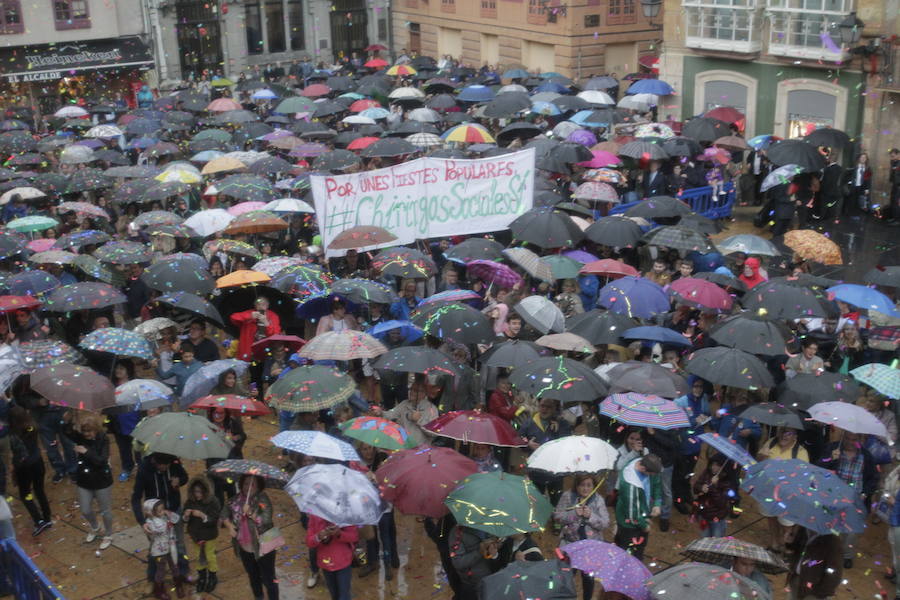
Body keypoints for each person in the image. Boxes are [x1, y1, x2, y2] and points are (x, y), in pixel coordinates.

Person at [818, 431, 878, 568]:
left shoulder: (866, 455)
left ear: (860, 440)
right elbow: (819, 468)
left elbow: (873, 478)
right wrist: (830, 459)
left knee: (851, 532)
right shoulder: (832, 448)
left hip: (855, 500)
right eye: (848, 438)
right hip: (833, 497)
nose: (850, 442)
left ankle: (846, 556)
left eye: (854, 439)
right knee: (831, 528)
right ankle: (829, 554)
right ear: (843, 437)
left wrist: (865, 493)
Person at [221, 474, 281, 600]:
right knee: (253, 576)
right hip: (245, 547)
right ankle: (258, 597)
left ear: (258, 486)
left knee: (269, 578)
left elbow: (266, 519)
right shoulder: (235, 500)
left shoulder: (263, 499)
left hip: (265, 544)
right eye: (246, 483)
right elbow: (224, 513)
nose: (248, 487)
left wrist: (250, 513)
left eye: (252, 484)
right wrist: (229, 525)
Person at [132, 453, 190, 577]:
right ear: (154, 461)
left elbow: (185, 476)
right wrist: (142, 522)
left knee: (179, 543)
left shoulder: (174, 462)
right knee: (156, 547)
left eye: (167, 465)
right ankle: (153, 579)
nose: (165, 468)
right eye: (161, 465)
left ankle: (183, 573)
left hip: (174, 510)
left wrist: (180, 481)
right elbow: (136, 498)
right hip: (155, 516)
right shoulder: (144, 469)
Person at [63, 411, 115, 550]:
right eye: (85, 432)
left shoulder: (104, 439)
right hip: (84, 480)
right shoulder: (81, 437)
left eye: (90, 432)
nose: (87, 435)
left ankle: (109, 533)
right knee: (85, 509)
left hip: (102, 481)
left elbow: (102, 460)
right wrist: (68, 421)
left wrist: (86, 452)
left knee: (105, 511)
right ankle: (95, 526)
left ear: (96, 429)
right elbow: (67, 433)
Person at [554, 474, 610, 600]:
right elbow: (557, 516)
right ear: (576, 485)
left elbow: (605, 523)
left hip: (590, 549)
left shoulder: (598, 500)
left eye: (589, 485)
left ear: (594, 487)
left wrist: (591, 516)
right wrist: (574, 514)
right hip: (570, 546)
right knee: (566, 577)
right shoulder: (568, 496)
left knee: (588, 579)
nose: (585, 489)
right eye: (582, 485)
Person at [8, 405, 53, 536]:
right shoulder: (32, 426)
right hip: (38, 462)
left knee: (25, 494)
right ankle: (47, 517)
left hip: (24, 468)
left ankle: (38, 521)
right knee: (39, 490)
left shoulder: (14, 434)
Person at [520, 398, 572, 506]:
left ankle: (556, 521)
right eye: (542, 405)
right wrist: (528, 444)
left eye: (548, 407)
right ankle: (537, 521)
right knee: (536, 500)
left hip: (556, 471)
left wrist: (558, 432)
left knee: (556, 500)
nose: (544, 409)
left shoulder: (562, 423)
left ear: (554, 409)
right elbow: (519, 439)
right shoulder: (530, 423)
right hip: (535, 470)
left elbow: (568, 444)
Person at [614, 454, 662, 560]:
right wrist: (644, 525)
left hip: (643, 514)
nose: (652, 476)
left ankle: (637, 562)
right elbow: (632, 514)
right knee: (627, 551)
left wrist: (657, 504)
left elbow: (657, 484)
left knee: (640, 548)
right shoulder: (629, 483)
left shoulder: (649, 465)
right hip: (629, 523)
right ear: (643, 468)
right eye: (650, 474)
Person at [182, 477, 221, 594]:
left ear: (205, 491)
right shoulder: (190, 502)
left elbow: (214, 519)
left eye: (199, 491)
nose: (197, 494)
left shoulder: (213, 501)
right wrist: (186, 515)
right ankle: (202, 578)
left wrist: (203, 516)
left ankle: (213, 577)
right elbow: (184, 520)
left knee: (210, 557)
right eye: (195, 491)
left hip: (209, 535)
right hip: (196, 536)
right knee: (199, 557)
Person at [306, 514, 358, 600]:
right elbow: (309, 542)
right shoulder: (315, 515)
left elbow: (354, 537)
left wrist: (339, 534)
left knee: (344, 596)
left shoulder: (345, 514)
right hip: (325, 563)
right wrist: (318, 537)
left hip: (343, 562)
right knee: (334, 594)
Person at [142, 499, 185, 599]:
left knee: (174, 566)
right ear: (151, 513)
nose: (162, 511)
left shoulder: (164, 516)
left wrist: (168, 514)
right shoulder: (150, 522)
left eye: (163, 509)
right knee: (161, 570)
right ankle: (159, 591)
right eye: (159, 510)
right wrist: (167, 523)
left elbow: (176, 518)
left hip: (171, 547)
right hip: (159, 551)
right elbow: (159, 529)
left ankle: (178, 585)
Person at [786, 528, 843, 600]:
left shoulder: (832, 540)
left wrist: (820, 593)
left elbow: (835, 572)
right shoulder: (803, 529)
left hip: (814, 590)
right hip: (796, 580)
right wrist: (789, 543)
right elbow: (797, 551)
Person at [230, 297, 282, 362]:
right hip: (247, 351)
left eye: (263, 304)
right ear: (255, 305)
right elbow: (233, 317)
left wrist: (266, 323)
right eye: (258, 304)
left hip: (264, 353)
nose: (261, 306)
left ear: (268, 305)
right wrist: (249, 316)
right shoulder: (250, 313)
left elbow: (276, 335)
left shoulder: (273, 316)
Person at [692, 454, 732, 537]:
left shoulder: (727, 482)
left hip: (717, 518)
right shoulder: (707, 472)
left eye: (717, 466)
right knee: (704, 539)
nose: (713, 467)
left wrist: (714, 487)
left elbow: (721, 503)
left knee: (716, 542)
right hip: (704, 515)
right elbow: (695, 488)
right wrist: (701, 487)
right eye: (713, 464)